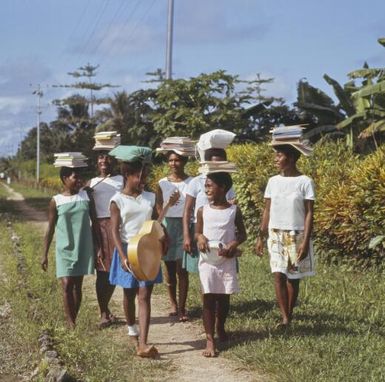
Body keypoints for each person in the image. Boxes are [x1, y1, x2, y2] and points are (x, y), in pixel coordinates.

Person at [109, 146, 164, 358]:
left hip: (148, 250)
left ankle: (143, 343)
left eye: (144, 175)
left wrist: (162, 235)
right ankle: (132, 328)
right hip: (127, 250)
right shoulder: (117, 200)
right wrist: (123, 257)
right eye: (138, 176)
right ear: (127, 175)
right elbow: (114, 231)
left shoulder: (150, 197)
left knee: (145, 294)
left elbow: (159, 222)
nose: (142, 179)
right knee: (129, 293)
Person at [255, 143, 315, 328]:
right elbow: (267, 210)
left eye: (279, 156)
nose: (275, 159)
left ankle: (289, 313)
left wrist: (305, 242)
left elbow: (309, 213)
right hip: (276, 233)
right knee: (278, 274)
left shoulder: (305, 181)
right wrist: (260, 236)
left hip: (296, 233)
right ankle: (285, 318)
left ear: (291, 158)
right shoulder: (273, 181)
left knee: (293, 277)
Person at [195, 172, 246, 357]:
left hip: (226, 260)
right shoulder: (202, 210)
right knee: (208, 298)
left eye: (210, 185)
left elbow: (242, 234)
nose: (206, 189)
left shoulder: (234, 210)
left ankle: (220, 327)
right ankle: (210, 340)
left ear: (223, 187)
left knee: (224, 297)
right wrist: (200, 237)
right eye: (206, 185)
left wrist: (234, 243)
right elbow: (198, 232)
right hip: (208, 261)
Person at [42, 165, 98, 328]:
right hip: (64, 248)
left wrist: (99, 246)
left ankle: (73, 318)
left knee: (77, 286)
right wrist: (44, 254)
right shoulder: (56, 201)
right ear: (65, 179)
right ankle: (71, 322)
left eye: (80, 177)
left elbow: (95, 223)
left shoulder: (86, 197)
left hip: (83, 246)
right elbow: (50, 228)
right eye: (75, 177)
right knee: (67, 284)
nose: (79, 180)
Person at [156, 151, 192, 322]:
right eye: (170, 160)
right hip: (167, 226)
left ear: (184, 161)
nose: (173, 163)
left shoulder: (192, 182)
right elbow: (158, 207)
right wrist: (162, 227)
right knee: (170, 269)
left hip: (185, 226)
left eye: (177, 160)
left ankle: (183, 307)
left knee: (182, 269)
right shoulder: (162, 183)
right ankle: (173, 303)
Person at [87, 152, 123, 328]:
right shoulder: (92, 183)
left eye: (108, 157)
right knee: (103, 272)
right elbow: (91, 213)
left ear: (114, 160)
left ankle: (106, 309)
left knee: (115, 270)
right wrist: (97, 241)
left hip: (120, 227)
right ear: (97, 161)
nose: (104, 160)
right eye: (100, 157)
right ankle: (103, 312)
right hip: (101, 227)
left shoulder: (121, 180)